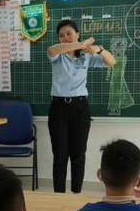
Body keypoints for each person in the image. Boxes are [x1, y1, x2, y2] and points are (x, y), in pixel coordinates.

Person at [47, 19, 116, 193]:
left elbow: (111, 61)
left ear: (77, 33)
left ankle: (76, 194)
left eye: (69, 33)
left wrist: (98, 49)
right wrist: (80, 44)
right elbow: (51, 50)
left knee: (78, 155)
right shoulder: (58, 55)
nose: (65, 37)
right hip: (58, 109)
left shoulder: (86, 55)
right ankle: (59, 196)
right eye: (61, 35)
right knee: (60, 156)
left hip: (80, 108)